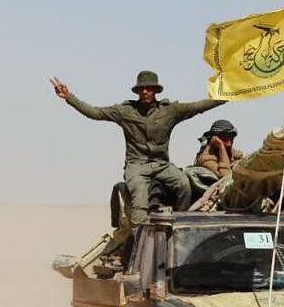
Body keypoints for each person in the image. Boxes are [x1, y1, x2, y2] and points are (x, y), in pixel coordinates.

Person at [51, 71, 225, 226]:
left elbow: (198, 107)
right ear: (137, 91)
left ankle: (177, 225)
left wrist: (225, 96)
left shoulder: (170, 111)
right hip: (136, 165)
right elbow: (95, 113)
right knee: (140, 201)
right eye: (141, 89)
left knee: (184, 185)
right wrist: (69, 97)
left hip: (162, 165)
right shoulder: (125, 111)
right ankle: (138, 242)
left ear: (156, 91)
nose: (145, 92)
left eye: (149, 88)